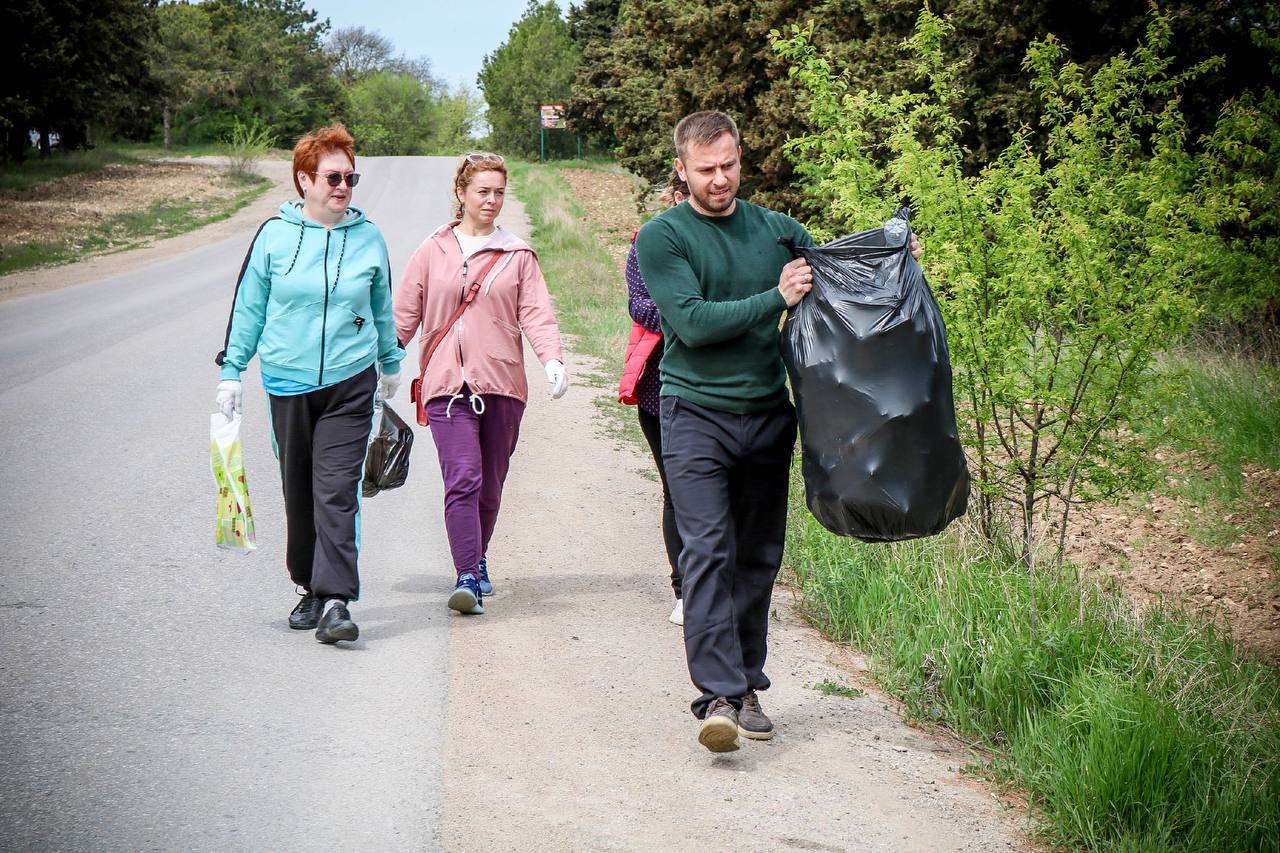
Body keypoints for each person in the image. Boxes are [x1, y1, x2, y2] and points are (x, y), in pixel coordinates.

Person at [635, 111, 921, 753]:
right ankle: (715, 696)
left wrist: (893, 258)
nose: (720, 179)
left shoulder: (775, 229)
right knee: (707, 549)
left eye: (729, 165)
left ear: (741, 158)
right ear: (681, 169)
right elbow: (694, 323)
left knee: (758, 559)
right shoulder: (663, 238)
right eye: (706, 170)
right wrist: (775, 298)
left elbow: (838, 271)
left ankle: (745, 686)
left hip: (768, 415)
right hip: (695, 413)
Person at [214, 122, 404, 645]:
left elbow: (382, 306)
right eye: (333, 177)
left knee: (337, 490)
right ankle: (310, 587)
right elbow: (248, 307)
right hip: (287, 381)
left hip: (350, 381)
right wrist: (232, 372)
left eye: (351, 177)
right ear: (304, 180)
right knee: (299, 489)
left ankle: (338, 599)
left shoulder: (368, 238)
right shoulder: (274, 236)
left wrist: (390, 364)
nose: (343, 187)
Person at [394, 152, 567, 616]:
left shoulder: (518, 254)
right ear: (462, 194)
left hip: (501, 382)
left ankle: (478, 556)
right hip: (446, 383)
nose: (491, 200)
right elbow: (404, 314)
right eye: (482, 191)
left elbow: (536, 312)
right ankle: (467, 574)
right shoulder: (433, 250)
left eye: (498, 193)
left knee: (490, 485)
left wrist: (551, 358)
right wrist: (384, 363)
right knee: (464, 477)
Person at [620, 170, 688, 626]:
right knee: (677, 491)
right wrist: (690, 312)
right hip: (658, 393)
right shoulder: (646, 244)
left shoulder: (729, 243)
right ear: (677, 196)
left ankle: (723, 583)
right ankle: (685, 589)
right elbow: (640, 305)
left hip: (722, 392)